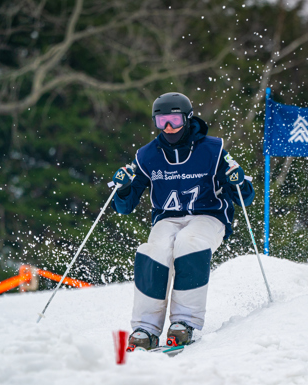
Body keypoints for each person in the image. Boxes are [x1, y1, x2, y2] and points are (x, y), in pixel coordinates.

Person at [111, 92, 255, 351]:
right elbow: (125, 206)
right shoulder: (146, 156)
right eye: (161, 121)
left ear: (188, 119)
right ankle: (146, 328)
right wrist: (122, 188)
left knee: (189, 243)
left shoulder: (214, 149)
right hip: (167, 219)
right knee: (154, 250)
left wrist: (239, 181)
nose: (168, 128)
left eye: (174, 121)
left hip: (209, 216)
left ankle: (184, 322)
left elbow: (245, 197)